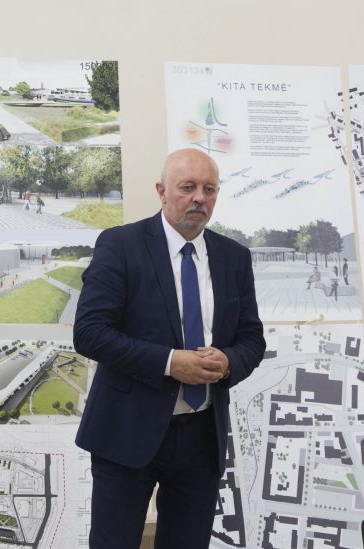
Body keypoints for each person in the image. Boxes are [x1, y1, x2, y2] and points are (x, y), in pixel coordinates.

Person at [74, 148, 265, 549]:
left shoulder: (234, 257)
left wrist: (229, 361)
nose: (199, 198)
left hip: (201, 437)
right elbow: (89, 332)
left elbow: (251, 338)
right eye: (187, 187)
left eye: (209, 189)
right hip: (126, 431)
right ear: (162, 191)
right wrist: (169, 363)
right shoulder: (120, 245)